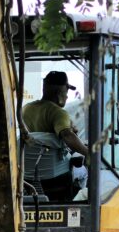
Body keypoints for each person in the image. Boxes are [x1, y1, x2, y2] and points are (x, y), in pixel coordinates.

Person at [22, 71, 90, 200]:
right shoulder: (58, 112)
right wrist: (88, 152)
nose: (67, 96)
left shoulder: (25, 109)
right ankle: (76, 201)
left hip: (27, 177)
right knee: (84, 172)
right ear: (59, 93)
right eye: (66, 91)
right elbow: (67, 136)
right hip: (57, 178)